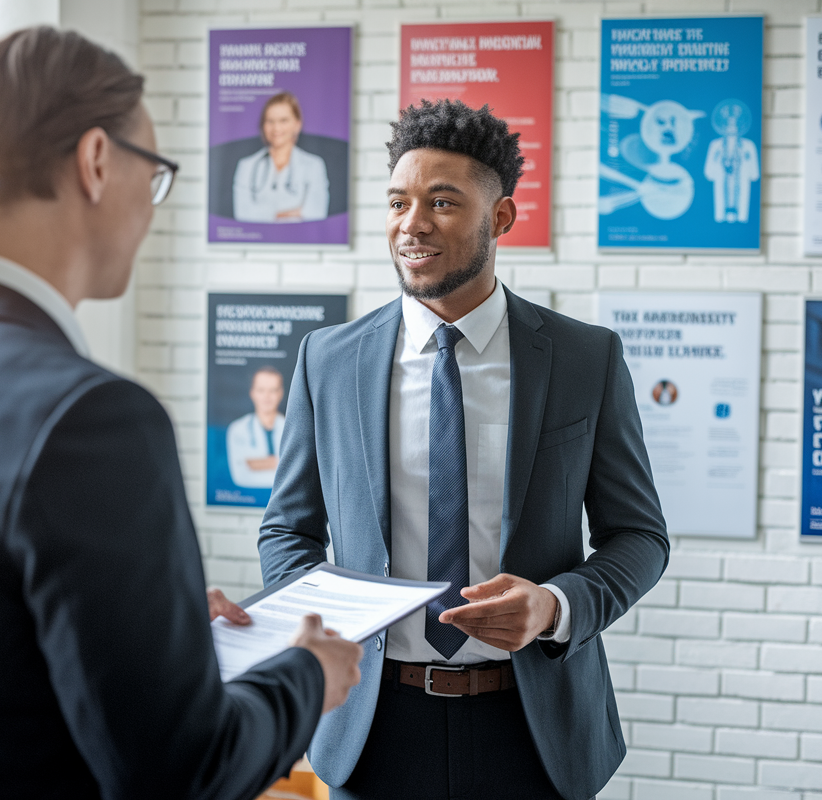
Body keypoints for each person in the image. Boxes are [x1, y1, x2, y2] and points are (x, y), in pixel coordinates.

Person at [0, 27, 361, 800]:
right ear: (97, 161)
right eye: (158, 174)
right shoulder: (95, 419)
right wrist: (308, 675)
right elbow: (184, 772)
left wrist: (153, 624)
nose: (152, 206)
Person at [258, 99, 670, 800]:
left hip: (536, 730)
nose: (410, 224)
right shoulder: (327, 359)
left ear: (501, 218)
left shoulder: (582, 358)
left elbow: (639, 536)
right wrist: (331, 620)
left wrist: (554, 607)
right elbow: (287, 530)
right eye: (397, 202)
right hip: (371, 726)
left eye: (441, 202)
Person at [233, 91, 329, 223]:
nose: (276, 128)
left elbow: (315, 214)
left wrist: (263, 215)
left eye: (283, 120)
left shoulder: (314, 165)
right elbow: (243, 214)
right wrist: (295, 213)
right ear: (263, 126)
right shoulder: (247, 165)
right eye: (270, 121)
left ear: (297, 124)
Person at [226, 365, 286, 488]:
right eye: (261, 390)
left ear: (281, 393)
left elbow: (297, 473)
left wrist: (255, 464)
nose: (267, 396)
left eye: (273, 390)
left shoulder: (292, 428)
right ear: (252, 393)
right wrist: (281, 462)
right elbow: (241, 477)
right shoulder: (238, 429)